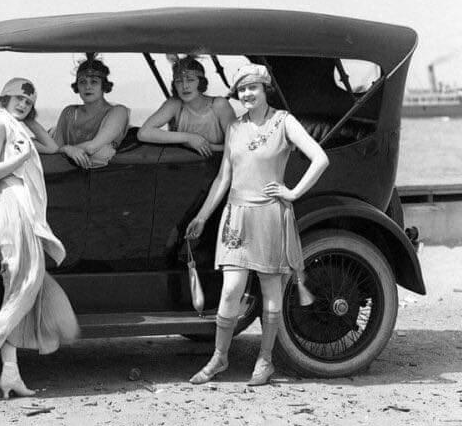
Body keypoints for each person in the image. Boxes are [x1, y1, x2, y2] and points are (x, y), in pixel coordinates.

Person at [183, 63, 328, 386]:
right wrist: (202, 216)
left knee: (270, 289)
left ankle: (265, 360)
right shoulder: (234, 127)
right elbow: (224, 176)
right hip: (236, 215)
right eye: (242, 90)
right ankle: (220, 357)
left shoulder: (284, 122)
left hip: (270, 216)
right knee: (232, 289)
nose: (247, 94)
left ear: (265, 89)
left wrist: (292, 192)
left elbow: (320, 158)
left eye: (253, 88)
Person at [0, 77, 80, 401]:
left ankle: (10, 373)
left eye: (28, 102)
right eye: (17, 98)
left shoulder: (18, 128)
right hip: (11, 210)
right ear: (3, 99)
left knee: (16, 293)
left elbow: (52, 146)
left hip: (24, 213)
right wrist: (18, 159)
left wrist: (29, 122)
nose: (22, 104)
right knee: (26, 286)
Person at [137, 56, 236, 158]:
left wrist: (207, 146)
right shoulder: (175, 104)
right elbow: (144, 133)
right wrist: (189, 138)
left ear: (201, 82)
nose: (185, 86)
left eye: (190, 80)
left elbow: (238, 145)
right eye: (179, 81)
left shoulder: (219, 105)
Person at [50, 57, 130, 169]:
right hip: (68, 174)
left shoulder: (118, 112)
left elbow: (93, 147)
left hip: (104, 175)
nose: (88, 87)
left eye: (94, 82)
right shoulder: (69, 112)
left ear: (104, 86)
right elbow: (55, 150)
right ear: (77, 86)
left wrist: (68, 148)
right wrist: (67, 149)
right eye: (82, 82)